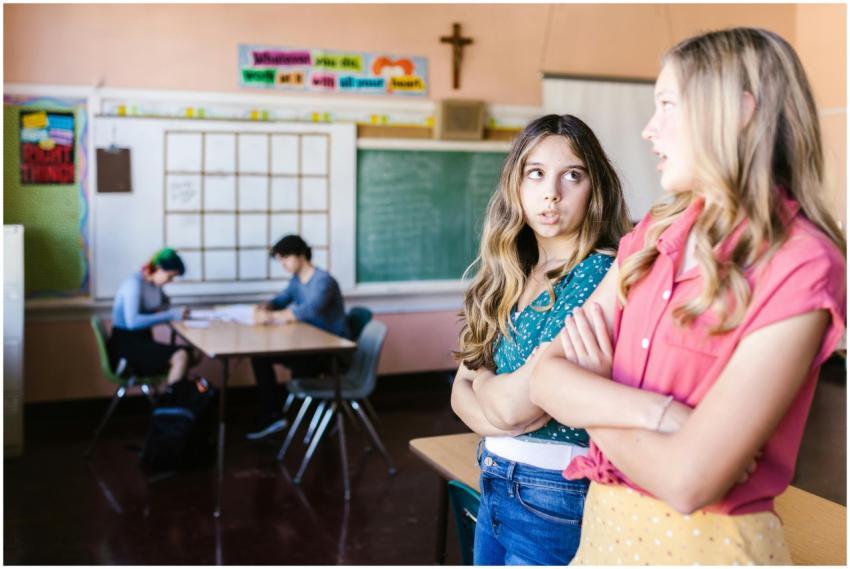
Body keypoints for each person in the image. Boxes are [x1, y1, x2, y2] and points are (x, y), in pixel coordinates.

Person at [528, 28, 846, 565]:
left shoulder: (802, 264)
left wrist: (593, 396)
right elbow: (545, 378)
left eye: (667, 106)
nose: (649, 129)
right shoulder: (654, 233)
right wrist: (661, 415)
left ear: (739, 111)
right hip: (602, 540)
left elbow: (687, 480)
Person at [450, 114, 652, 565]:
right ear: (516, 185)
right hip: (494, 476)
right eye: (536, 174)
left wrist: (483, 383)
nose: (552, 193)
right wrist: (495, 405)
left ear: (595, 188)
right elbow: (459, 394)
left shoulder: (598, 273)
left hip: (554, 492)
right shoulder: (511, 273)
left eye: (572, 175)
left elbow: (510, 405)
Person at [247, 234, 350, 440]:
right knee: (260, 356)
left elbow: (308, 311)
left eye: (285, 258)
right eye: (280, 260)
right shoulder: (296, 281)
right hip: (309, 345)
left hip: (330, 352)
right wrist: (264, 307)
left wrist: (270, 316)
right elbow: (280, 300)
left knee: (262, 358)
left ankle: (272, 416)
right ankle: (274, 415)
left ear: (301, 255)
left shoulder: (324, 281)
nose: (283, 264)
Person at [109, 247, 192, 385]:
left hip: (143, 340)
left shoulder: (154, 285)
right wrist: (171, 315)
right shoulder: (133, 284)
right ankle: (172, 397)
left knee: (192, 353)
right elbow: (133, 322)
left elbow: (163, 305)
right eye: (170, 276)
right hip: (126, 346)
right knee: (181, 356)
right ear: (158, 268)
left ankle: (175, 393)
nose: (170, 281)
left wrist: (171, 311)